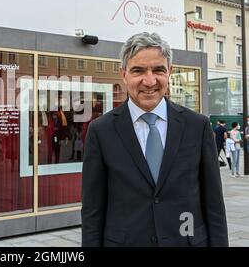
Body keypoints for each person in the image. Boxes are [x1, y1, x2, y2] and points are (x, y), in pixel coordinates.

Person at [81, 32, 228, 247]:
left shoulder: (198, 126)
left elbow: (214, 204)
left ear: (170, 72)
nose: (149, 81)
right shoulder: (101, 131)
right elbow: (92, 211)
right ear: (123, 74)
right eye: (138, 70)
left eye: (158, 70)